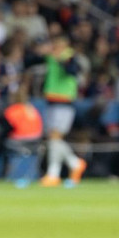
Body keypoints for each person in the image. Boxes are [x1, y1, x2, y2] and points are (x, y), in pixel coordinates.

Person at [29, 36, 88, 187]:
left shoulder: (70, 57)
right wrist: (40, 52)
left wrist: (60, 60)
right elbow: (30, 61)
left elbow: (72, 72)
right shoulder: (50, 58)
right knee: (53, 139)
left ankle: (53, 174)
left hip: (64, 102)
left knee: (55, 137)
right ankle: (74, 164)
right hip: (51, 101)